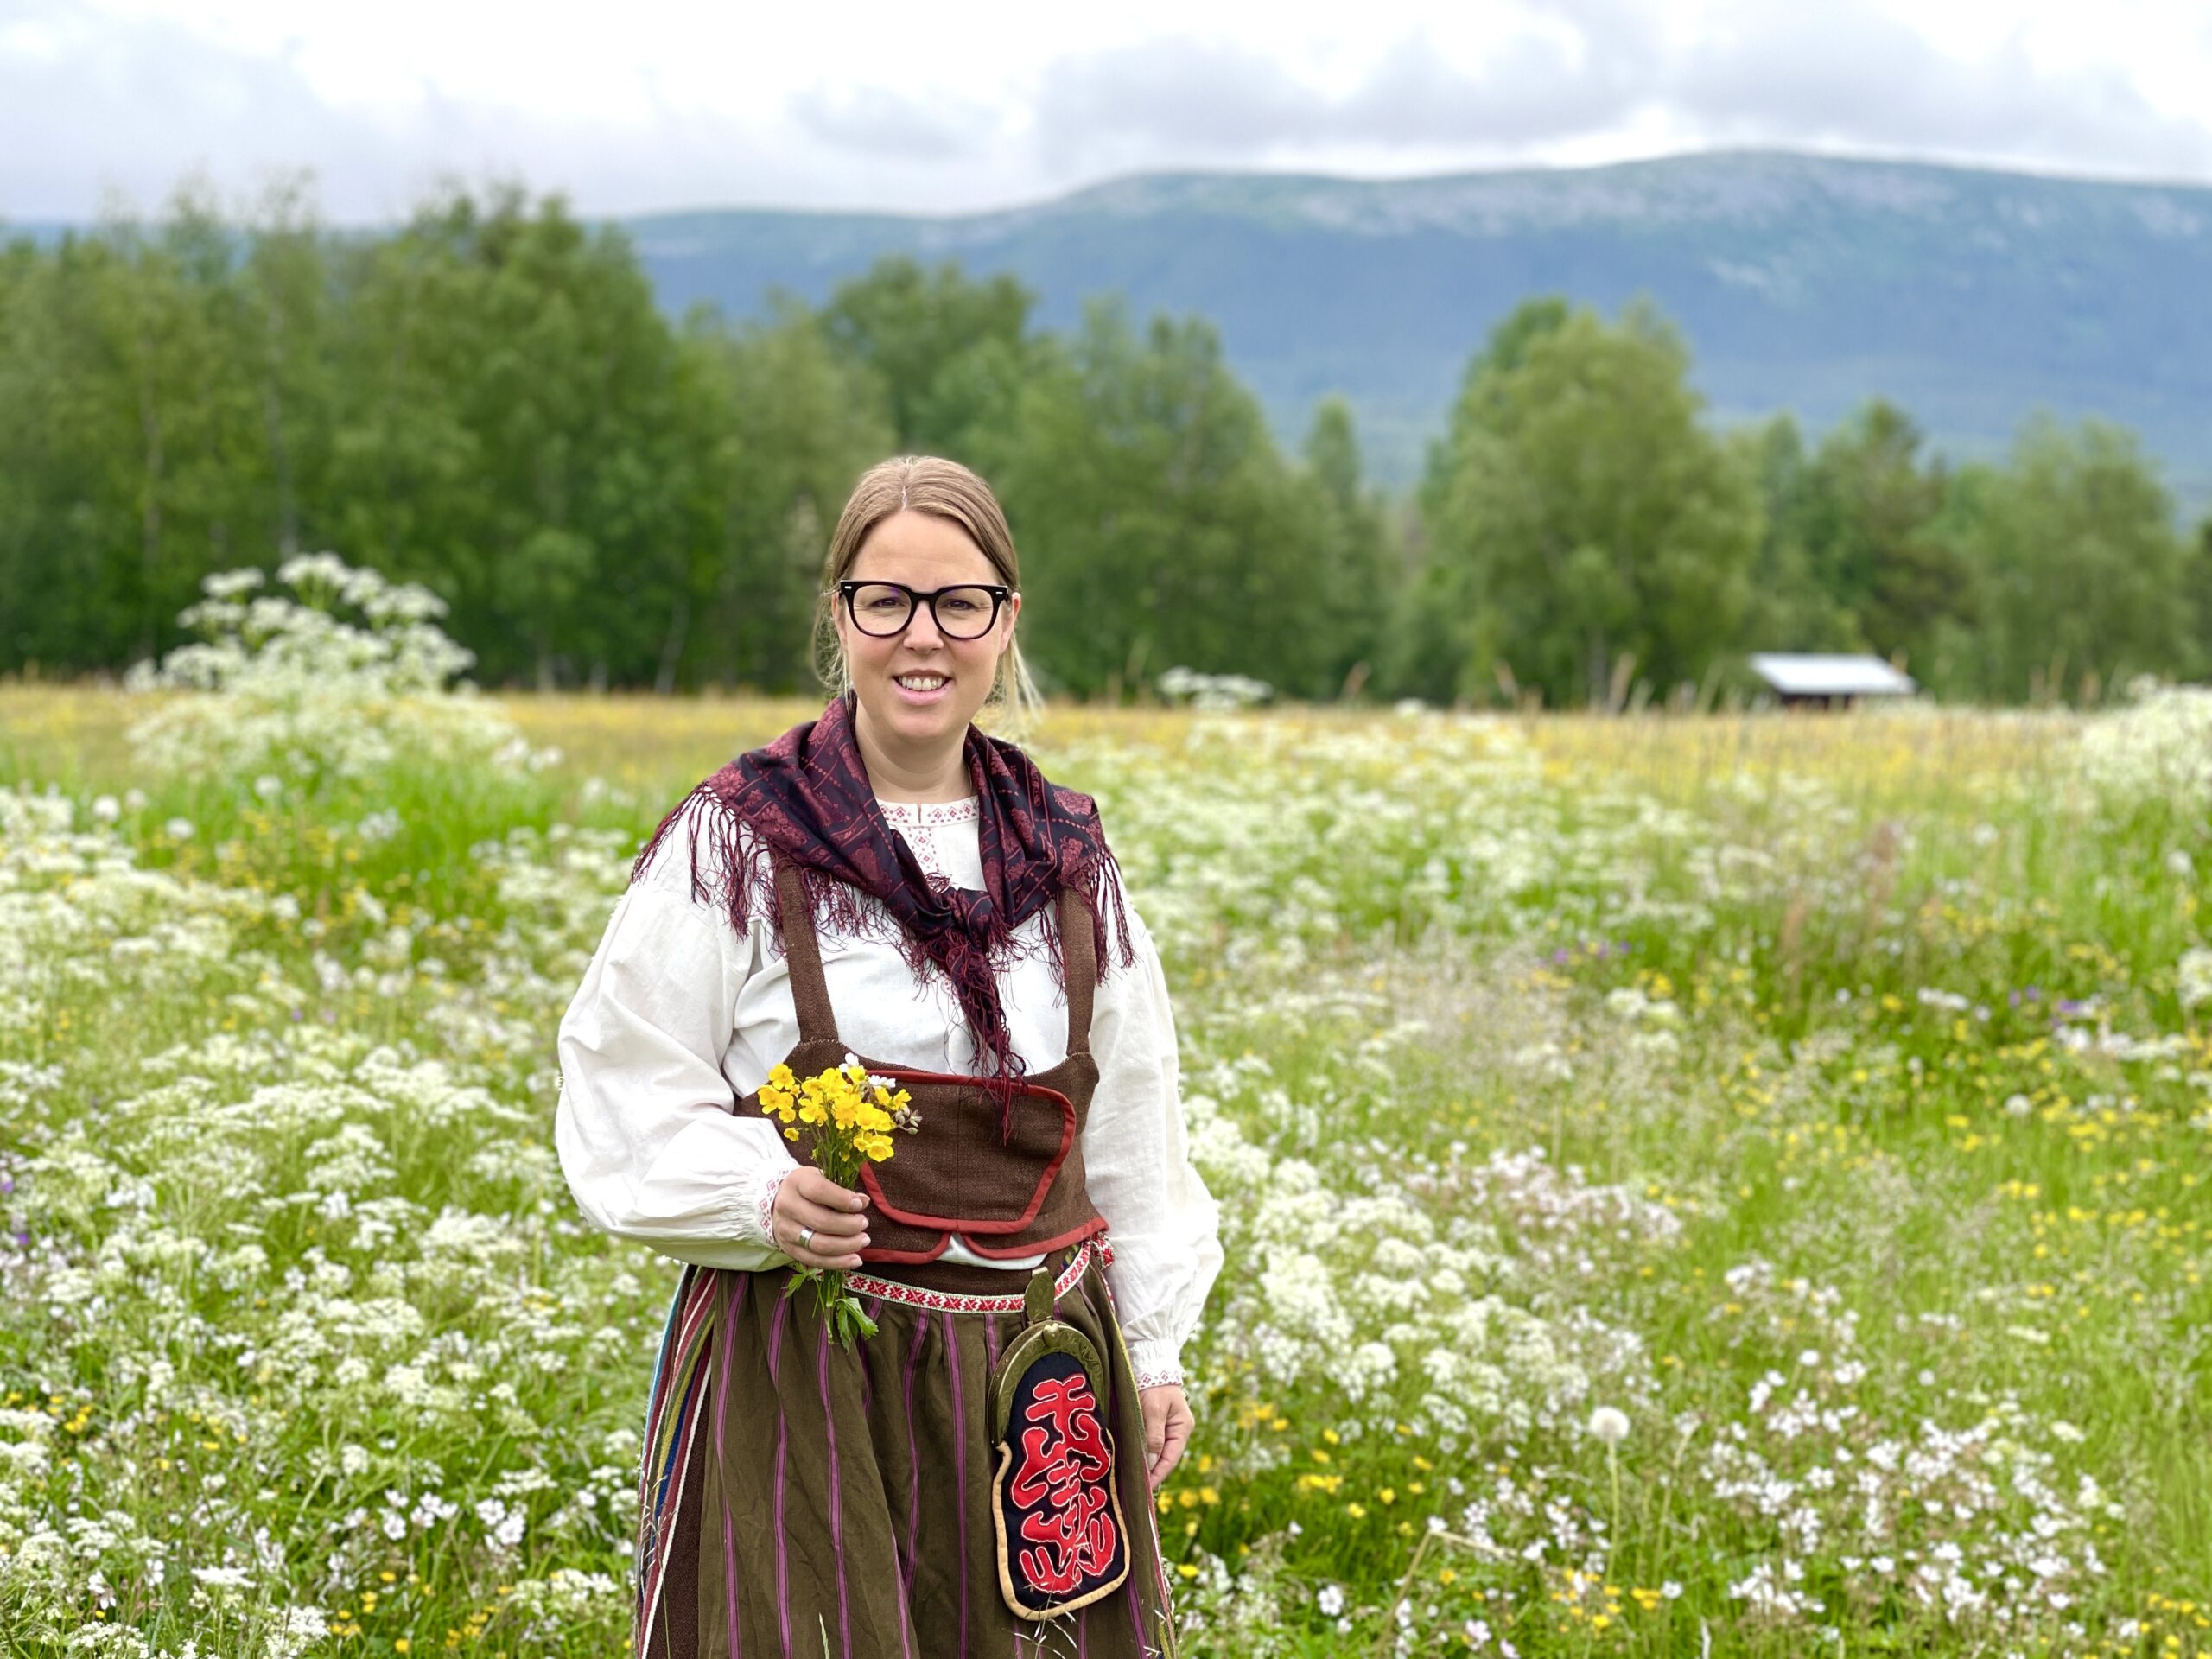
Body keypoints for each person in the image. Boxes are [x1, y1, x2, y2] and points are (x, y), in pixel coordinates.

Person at [554, 454, 1224, 1659]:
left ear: (1006, 621)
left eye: (960, 603)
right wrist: (756, 1194)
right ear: (841, 615)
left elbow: (1131, 1120)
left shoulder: (1069, 856)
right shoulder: (744, 840)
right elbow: (621, 1078)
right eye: (888, 601)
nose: (925, 638)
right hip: (809, 1377)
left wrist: (1158, 1350)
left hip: (1040, 1385)